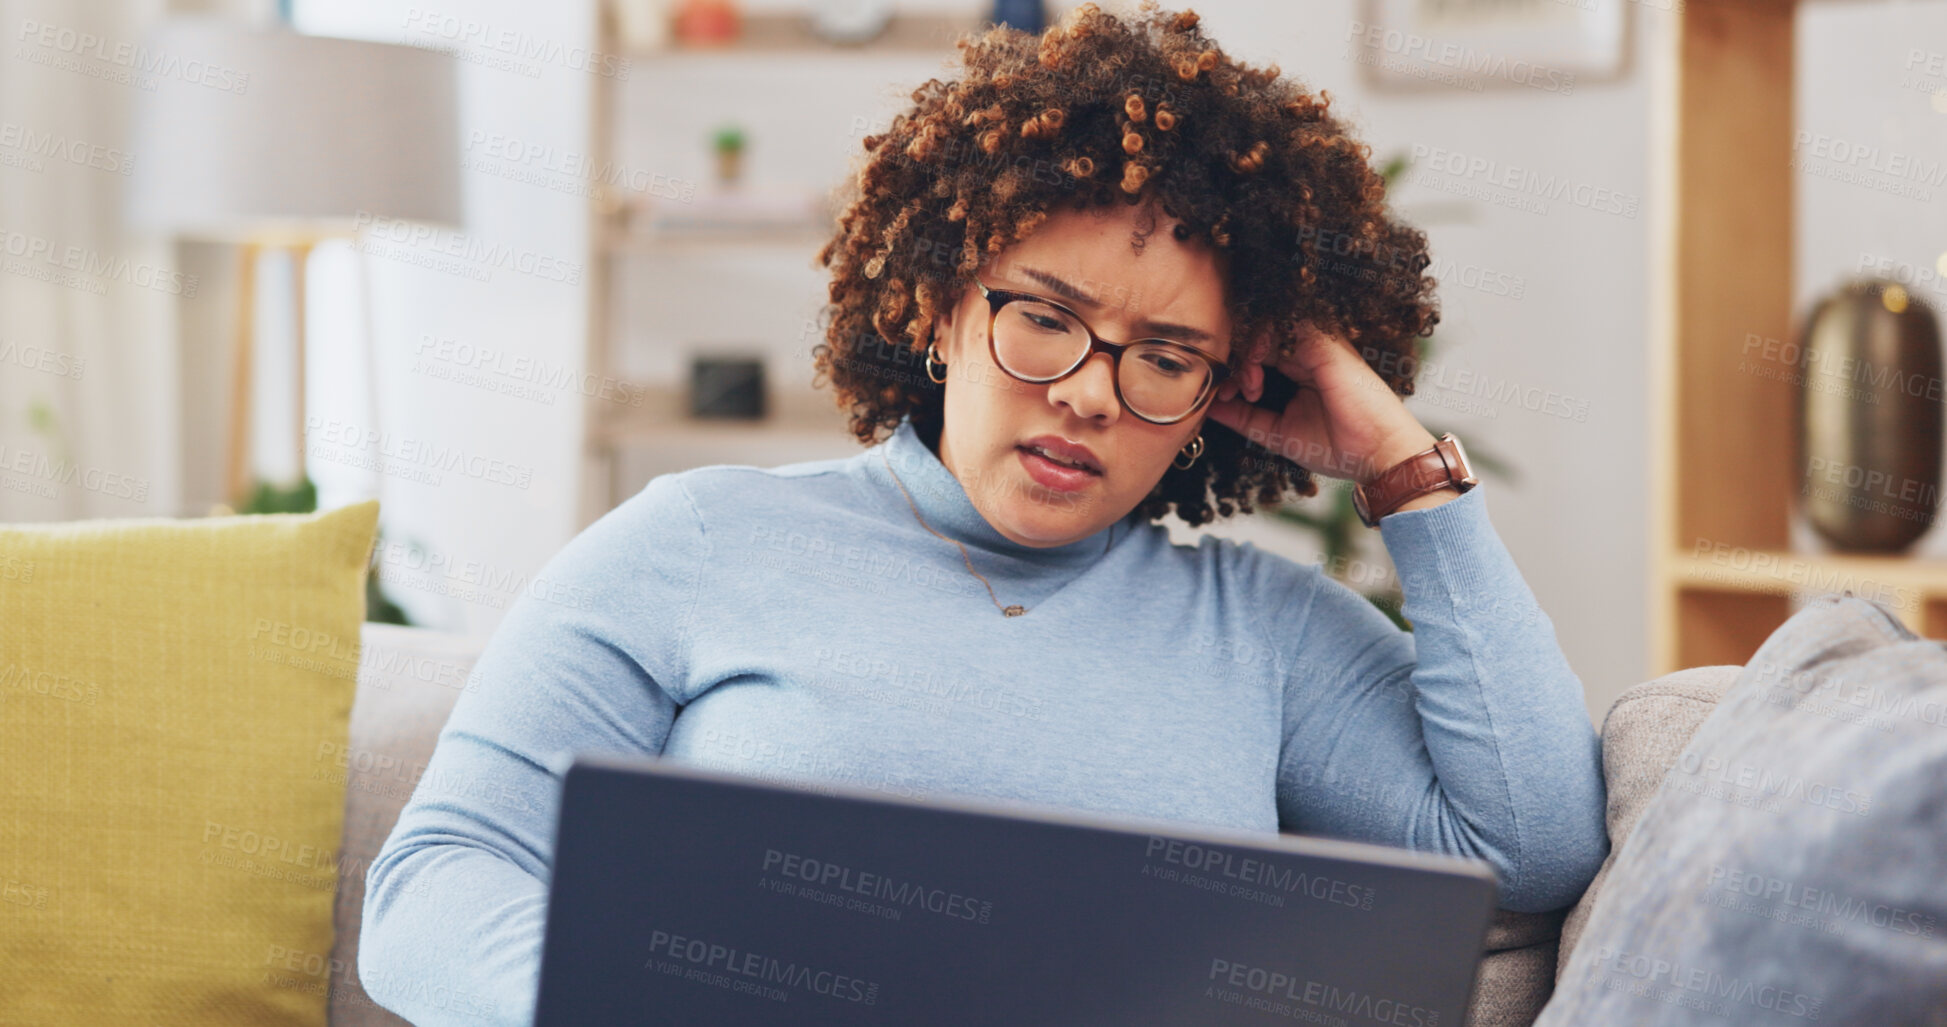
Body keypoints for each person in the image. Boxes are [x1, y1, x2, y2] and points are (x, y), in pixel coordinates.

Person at [359, 4, 1607, 1023]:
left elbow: (1532, 844)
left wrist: (1404, 471)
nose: (1086, 395)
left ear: (1226, 391)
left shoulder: (1263, 632)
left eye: (1165, 356)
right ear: (941, 307)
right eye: (1046, 319)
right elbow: (436, 881)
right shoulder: (694, 541)